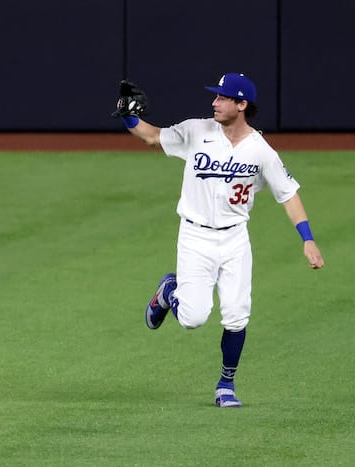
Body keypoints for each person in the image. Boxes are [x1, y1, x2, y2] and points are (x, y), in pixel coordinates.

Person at [113, 73, 324, 407]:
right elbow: (152, 137)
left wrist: (307, 239)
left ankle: (226, 385)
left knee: (237, 315)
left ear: (242, 105)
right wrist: (128, 115)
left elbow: (289, 195)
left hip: (235, 240)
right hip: (195, 236)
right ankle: (169, 291)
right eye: (216, 97)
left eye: (223, 98)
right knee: (193, 318)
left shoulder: (261, 151)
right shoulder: (197, 130)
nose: (215, 102)